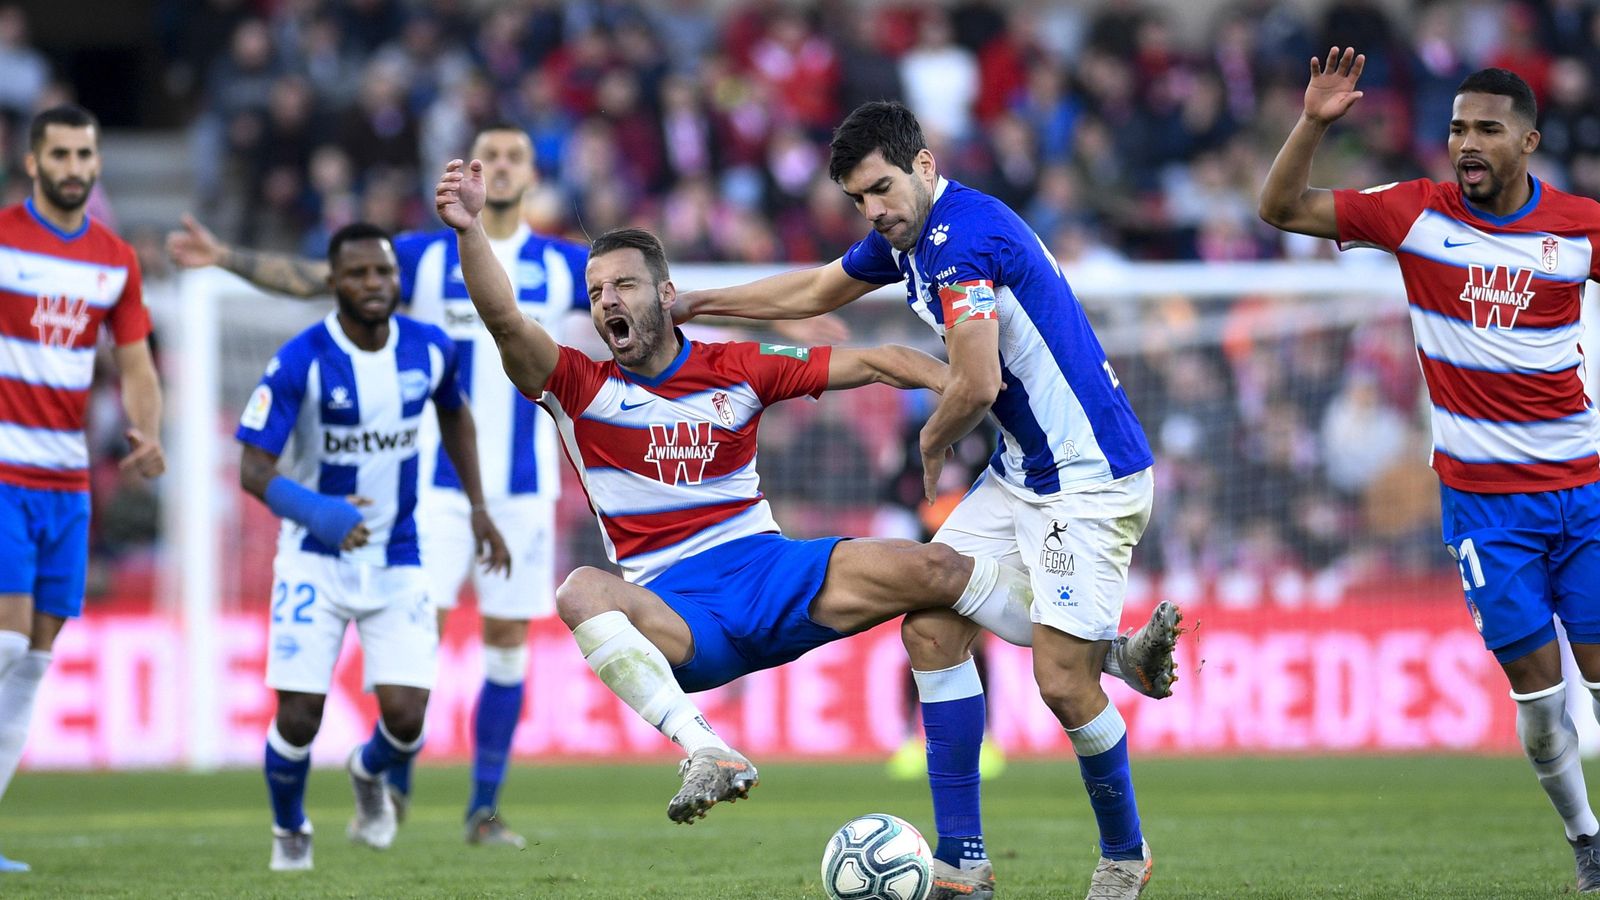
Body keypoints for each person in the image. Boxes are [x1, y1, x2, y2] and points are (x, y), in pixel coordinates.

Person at [436, 158, 1054, 832]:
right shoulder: (578, 387)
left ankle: (1106, 651)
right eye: (596, 291)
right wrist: (471, 232)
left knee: (935, 568)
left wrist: (969, 391)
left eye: (624, 285)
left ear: (666, 295)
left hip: (771, 574)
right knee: (580, 590)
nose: (608, 299)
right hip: (681, 613)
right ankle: (708, 751)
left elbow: (882, 361)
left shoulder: (735, 368)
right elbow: (503, 321)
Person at [675, 100, 1179, 900]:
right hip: (1025, 471)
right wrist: (702, 304)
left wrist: (931, 439)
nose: (874, 212)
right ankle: (963, 864)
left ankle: (1124, 855)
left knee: (1060, 682)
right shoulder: (905, 238)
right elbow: (815, 288)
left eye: (881, 189)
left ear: (925, 167)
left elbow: (974, 384)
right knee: (934, 629)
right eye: (858, 200)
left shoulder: (958, 242)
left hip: (1088, 478)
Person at [168, 124, 581, 847]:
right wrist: (225, 259)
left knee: (508, 643)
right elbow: (313, 278)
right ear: (470, 171)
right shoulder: (420, 258)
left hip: (523, 485)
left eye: (519, 154)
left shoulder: (562, 263)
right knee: (422, 642)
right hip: (431, 489)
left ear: (532, 174)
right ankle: (391, 791)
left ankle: (483, 811)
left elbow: (647, 302)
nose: (506, 166)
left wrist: (764, 318)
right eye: (493, 154)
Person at [1259, 52, 1600, 893]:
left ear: (1530, 139)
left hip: (1584, 493)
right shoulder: (1416, 215)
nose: (1467, 144)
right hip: (1487, 509)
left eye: (1487, 129)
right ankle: (1585, 834)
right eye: (1456, 129)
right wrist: (1314, 123)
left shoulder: (1578, 227)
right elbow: (1278, 208)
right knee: (1541, 706)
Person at [237, 221, 509, 872]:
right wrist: (318, 511)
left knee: (408, 719)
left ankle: (367, 771)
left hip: (398, 555)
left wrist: (477, 508)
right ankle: (290, 830)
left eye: (384, 273)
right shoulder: (301, 359)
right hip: (314, 558)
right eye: (358, 274)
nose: (374, 284)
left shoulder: (429, 348)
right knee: (300, 717)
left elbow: (455, 413)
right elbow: (252, 468)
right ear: (333, 283)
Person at [0, 104, 165, 875]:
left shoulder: (113, 259)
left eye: (84, 154)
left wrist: (147, 428)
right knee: (5, 641)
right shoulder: (4, 240)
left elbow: (135, 364)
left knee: (33, 661)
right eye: (60, 153)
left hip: (67, 484)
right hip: (3, 471)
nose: (74, 166)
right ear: (34, 162)